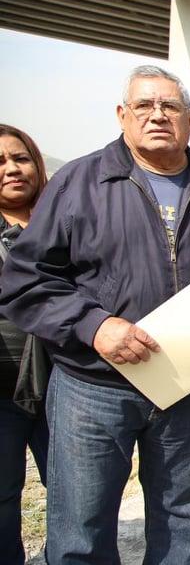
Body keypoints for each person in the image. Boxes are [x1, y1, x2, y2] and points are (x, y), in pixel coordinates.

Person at [0, 65, 190, 564]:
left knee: (182, 520)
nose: (157, 116)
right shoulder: (80, 181)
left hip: (184, 385)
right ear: (122, 116)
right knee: (82, 526)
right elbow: (27, 277)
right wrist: (93, 325)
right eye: (144, 106)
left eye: (169, 107)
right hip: (93, 386)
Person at [0, 124, 48, 565]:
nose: (12, 169)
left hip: (64, 384)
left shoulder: (62, 219)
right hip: (2, 389)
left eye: (20, 158)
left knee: (78, 493)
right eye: (0, 163)